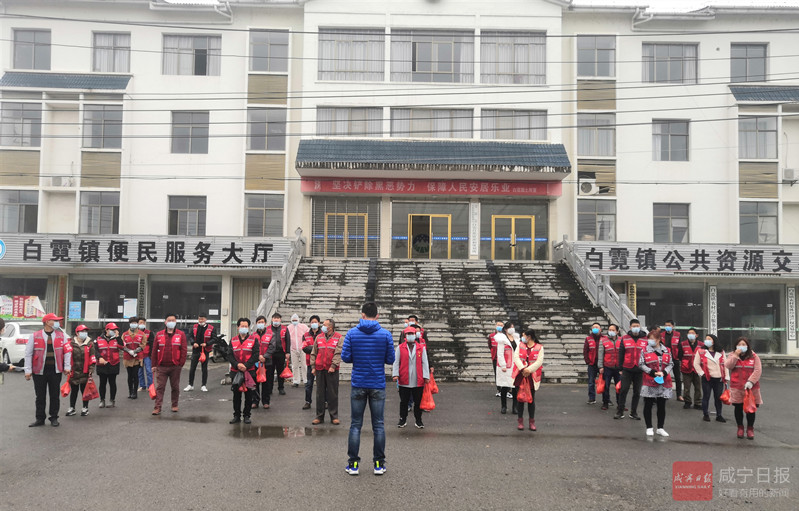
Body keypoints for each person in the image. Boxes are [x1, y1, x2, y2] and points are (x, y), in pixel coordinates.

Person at [342, 302, 395, 476]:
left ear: (362, 314)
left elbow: (346, 357)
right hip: (377, 383)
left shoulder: (352, 333)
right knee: (378, 425)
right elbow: (390, 359)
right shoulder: (385, 334)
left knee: (355, 425)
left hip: (358, 383)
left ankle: (353, 465)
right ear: (377, 315)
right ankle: (378, 464)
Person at [24, 313, 72, 427]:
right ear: (47, 322)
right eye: (55, 320)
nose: (57, 323)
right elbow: (28, 354)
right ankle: (40, 418)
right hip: (39, 371)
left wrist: (67, 367)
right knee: (40, 396)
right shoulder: (35, 336)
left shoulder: (62, 336)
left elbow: (67, 352)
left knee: (54, 395)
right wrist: (27, 370)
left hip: (55, 370)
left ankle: (54, 417)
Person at [724, 337, 762, 440]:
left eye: (744, 344)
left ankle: (750, 429)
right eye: (739, 344)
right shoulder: (732, 355)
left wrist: (751, 381)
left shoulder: (754, 356)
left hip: (751, 388)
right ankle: (740, 428)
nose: (741, 346)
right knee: (738, 408)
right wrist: (735, 356)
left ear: (748, 346)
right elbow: (728, 366)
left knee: (750, 409)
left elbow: (758, 370)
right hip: (737, 387)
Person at [392, 327, 430, 429]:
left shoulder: (421, 348)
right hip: (404, 378)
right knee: (404, 401)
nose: (410, 335)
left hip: (418, 378)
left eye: (412, 333)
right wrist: (395, 374)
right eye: (408, 334)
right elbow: (396, 362)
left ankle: (418, 420)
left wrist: (426, 376)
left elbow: (425, 362)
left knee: (418, 402)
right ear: (405, 335)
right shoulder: (400, 347)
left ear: (415, 335)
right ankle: (402, 419)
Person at [151, 314, 188, 415]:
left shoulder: (181, 334)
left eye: (173, 320)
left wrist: (180, 364)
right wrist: (154, 364)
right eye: (169, 320)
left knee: (175, 387)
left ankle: (174, 405)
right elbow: (154, 350)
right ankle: (157, 407)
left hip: (175, 366)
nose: (171, 322)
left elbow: (184, 350)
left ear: (176, 322)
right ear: (165, 322)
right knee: (160, 387)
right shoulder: (159, 335)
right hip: (161, 366)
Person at [639, 330, 673, 437]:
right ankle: (649, 427)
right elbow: (641, 364)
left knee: (661, 405)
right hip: (649, 380)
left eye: (652, 339)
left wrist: (664, 372)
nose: (650, 341)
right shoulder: (644, 350)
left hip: (663, 380)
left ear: (659, 339)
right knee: (648, 404)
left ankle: (660, 428)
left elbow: (671, 363)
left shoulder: (667, 350)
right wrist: (652, 372)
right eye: (649, 338)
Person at [311, 319, 343, 425]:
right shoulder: (319, 337)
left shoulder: (339, 338)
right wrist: (313, 367)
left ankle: (334, 416)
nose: (322, 326)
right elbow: (314, 352)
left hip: (332, 370)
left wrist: (333, 365)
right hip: (320, 369)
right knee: (320, 394)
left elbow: (338, 353)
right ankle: (319, 416)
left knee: (332, 393)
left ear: (330, 327)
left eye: (324, 325)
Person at [228, 318, 259, 424]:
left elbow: (256, 355)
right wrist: (237, 365)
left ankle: (247, 415)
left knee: (249, 395)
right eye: (242, 326)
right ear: (238, 327)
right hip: (236, 371)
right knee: (236, 395)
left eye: (246, 326)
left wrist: (246, 365)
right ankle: (236, 415)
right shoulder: (233, 340)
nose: (244, 328)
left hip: (249, 371)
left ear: (249, 327)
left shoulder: (253, 340)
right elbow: (229, 355)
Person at [512, 329, 544, 431]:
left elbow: (539, 362)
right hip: (520, 375)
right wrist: (523, 369)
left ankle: (531, 422)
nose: (523, 337)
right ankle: (520, 421)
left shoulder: (539, 347)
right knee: (520, 399)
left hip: (531, 376)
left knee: (531, 400)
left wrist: (528, 370)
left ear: (529, 337)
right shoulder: (520, 345)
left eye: (524, 336)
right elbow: (516, 357)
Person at [616, 319, 647, 420]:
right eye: (634, 326)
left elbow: (648, 354)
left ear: (640, 326)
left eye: (637, 326)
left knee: (637, 392)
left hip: (639, 370)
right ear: (630, 327)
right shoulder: (625, 338)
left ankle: (633, 412)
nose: (635, 328)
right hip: (627, 369)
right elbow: (621, 353)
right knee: (623, 390)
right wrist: (620, 368)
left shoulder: (645, 339)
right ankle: (620, 411)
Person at [694, 333, 728, 423]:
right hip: (707, 378)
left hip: (719, 378)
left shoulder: (721, 352)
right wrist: (702, 373)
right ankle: (705, 414)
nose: (707, 341)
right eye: (706, 339)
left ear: (714, 341)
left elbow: (725, 364)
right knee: (706, 396)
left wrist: (726, 376)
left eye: (709, 339)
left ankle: (719, 415)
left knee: (718, 397)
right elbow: (696, 364)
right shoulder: (701, 351)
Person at [66, 324, 97, 418]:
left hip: (85, 371)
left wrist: (91, 369)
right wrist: (67, 368)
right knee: (74, 390)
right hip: (74, 370)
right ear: (77, 333)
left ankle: (85, 408)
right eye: (82, 331)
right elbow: (66, 356)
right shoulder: (70, 343)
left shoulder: (90, 344)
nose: (84, 333)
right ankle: (72, 408)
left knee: (85, 390)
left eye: (85, 331)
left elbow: (92, 357)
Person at [261, 313, 291, 407]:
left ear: (280, 319)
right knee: (269, 372)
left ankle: (281, 387)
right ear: (272, 319)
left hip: (280, 353)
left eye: (278, 318)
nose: (276, 320)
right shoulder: (268, 329)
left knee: (280, 371)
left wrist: (287, 352)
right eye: (274, 318)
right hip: (270, 353)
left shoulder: (285, 329)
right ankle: (269, 389)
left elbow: (288, 340)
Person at [95, 322, 123, 408]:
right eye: (112, 330)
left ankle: (112, 400)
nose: (114, 331)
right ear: (107, 330)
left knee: (112, 383)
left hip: (113, 363)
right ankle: (102, 400)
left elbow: (122, 347)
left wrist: (118, 337)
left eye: (115, 330)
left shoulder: (117, 339)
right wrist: (99, 357)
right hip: (102, 364)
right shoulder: (98, 339)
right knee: (102, 383)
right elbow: (95, 350)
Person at [185, 314, 213, 392]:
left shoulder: (211, 328)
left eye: (202, 319)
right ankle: (190, 385)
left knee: (204, 369)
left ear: (206, 319)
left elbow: (214, 339)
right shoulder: (194, 327)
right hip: (195, 350)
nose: (201, 320)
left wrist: (206, 344)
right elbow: (190, 336)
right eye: (199, 319)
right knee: (192, 368)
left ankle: (203, 385)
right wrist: (193, 343)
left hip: (205, 351)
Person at [597, 323, 622, 411]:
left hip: (618, 368)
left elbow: (624, 354)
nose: (611, 331)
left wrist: (623, 367)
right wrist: (600, 366)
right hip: (607, 367)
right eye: (609, 330)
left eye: (613, 330)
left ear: (617, 331)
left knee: (619, 387)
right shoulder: (603, 340)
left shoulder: (622, 340)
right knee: (606, 386)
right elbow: (600, 354)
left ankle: (620, 404)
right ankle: (605, 402)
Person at [678, 327, 703, 410]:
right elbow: (680, 356)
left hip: (697, 369)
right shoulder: (683, 344)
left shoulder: (701, 345)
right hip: (686, 369)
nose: (690, 335)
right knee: (686, 387)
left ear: (697, 335)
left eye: (692, 333)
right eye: (689, 333)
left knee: (698, 387)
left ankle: (698, 403)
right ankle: (687, 402)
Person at [494, 322, 515, 414]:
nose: (512, 329)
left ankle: (515, 407)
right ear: (506, 329)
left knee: (515, 387)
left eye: (513, 327)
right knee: (504, 386)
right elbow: (500, 353)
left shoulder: (516, 338)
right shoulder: (501, 339)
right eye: (511, 327)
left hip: (515, 365)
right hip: (506, 366)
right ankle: (504, 406)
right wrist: (503, 365)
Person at [122, 318, 146, 399]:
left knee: (135, 375)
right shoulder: (125, 334)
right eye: (132, 323)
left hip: (137, 357)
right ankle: (130, 392)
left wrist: (135, 351)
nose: (133, 324)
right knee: (129, 375)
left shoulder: (142, 334)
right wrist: (129, 351)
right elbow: (122, 345)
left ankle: (135, 392)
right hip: (127, 357)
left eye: (135, 323)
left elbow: (143, 345)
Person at [301, 316, 322, 410]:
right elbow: (304, 348)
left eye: (315, 322)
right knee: (309, 383)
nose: (314, 324)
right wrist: (316, 348)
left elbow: (324, 347)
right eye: (312, 322)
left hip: (321, 362)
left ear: (319, 323)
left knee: (322, 384)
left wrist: (312, 348)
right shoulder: (305, 335)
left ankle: (324, 401)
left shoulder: (323, 334)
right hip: (310, 363)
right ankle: (308, 401)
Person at [583, 322, 606, 405]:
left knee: (604, 382)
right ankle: (591, 398)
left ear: (600, 329)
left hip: (602, 364)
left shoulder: (605, 338)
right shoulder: (588, 339)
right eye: (593, 327)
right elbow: (585, 351)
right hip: (592, 364)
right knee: (591, 382)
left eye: (597, 327)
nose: (595, 329)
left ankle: (606, 399)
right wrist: (588, 361)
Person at [661, 320, 683, 401]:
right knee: (664, 376)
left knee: (677, 377)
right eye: (666, 325)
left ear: (673, 326)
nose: (667, 327)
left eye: (669, 325)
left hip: (675, 358)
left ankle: (679, 395)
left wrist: (679, 358)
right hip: (664, 359)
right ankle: (664, 394)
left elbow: (680, 347)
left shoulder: (678, 334)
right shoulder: (661, 335)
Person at [288, 313, 309, 388]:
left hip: (303, 349)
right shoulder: (289, 328)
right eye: (293, 320)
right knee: (294, 366)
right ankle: (296, 381)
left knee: (304, 365)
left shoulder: (303, 327)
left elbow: (308, 335)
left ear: (298, 320)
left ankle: (306, 380)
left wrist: (305, 344)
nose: (294, 321)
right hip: (293, 349)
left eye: (296, 320)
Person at [136, 317, 154, 392]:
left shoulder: (149, 333)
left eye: (143, 323)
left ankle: (150, 386)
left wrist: (151, 354)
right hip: (138, 355)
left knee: (149, 371)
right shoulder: (135, 333)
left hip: (147, 355)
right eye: (140, 323)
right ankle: (142, 385)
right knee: (139, 371)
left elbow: (152, 343)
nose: (142, 324)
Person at [488, 320, 504, 396]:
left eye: (501, 325)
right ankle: (499, 390)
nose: (499, 326)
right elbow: (490, 345)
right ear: (495, 326)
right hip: (495, 358)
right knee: (497, 374)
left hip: (504, 359)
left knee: (504, 374)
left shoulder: (505, 336)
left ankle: (506, 390)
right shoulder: (491, 336)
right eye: (498, 325)